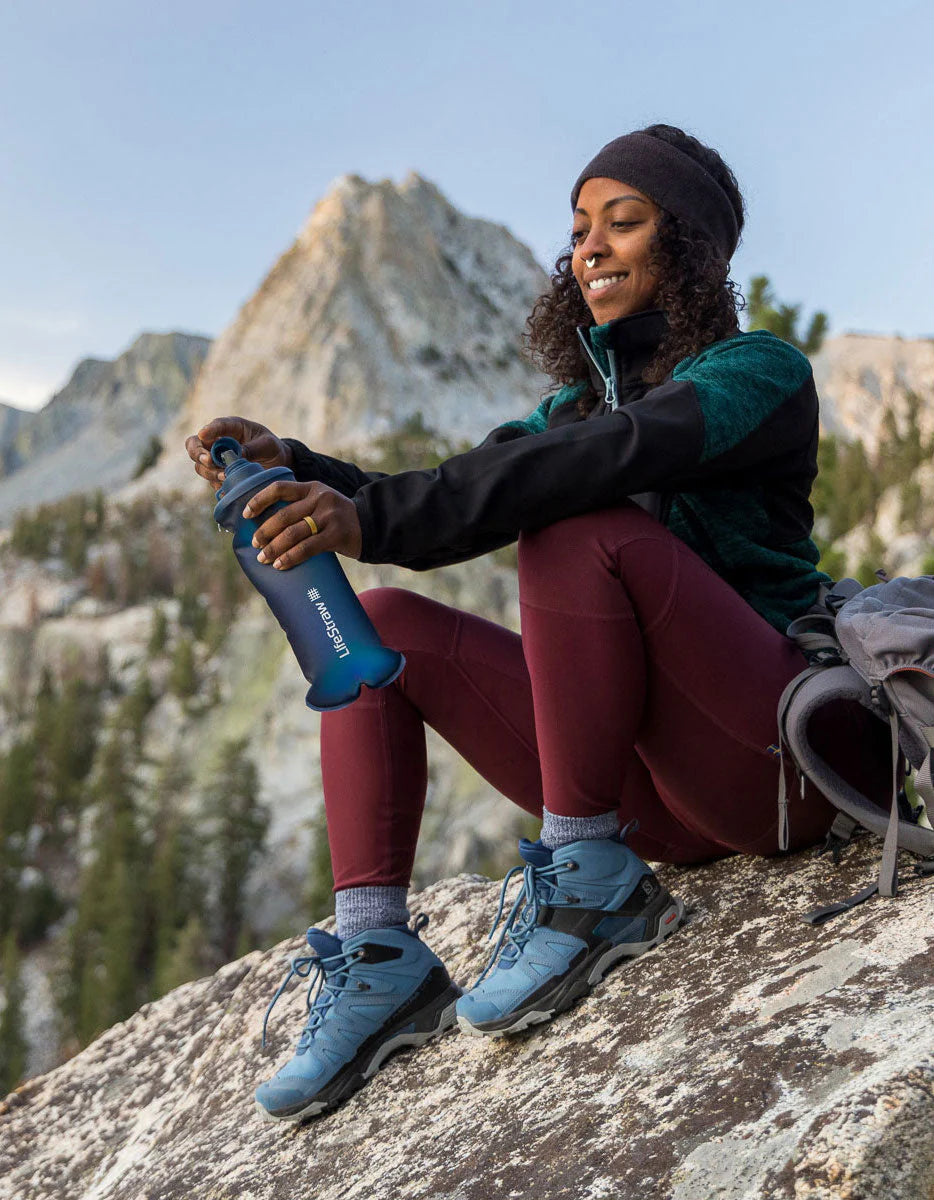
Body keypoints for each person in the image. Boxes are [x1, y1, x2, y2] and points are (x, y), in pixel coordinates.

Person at [186, 124, 888, 1126]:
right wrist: (299, 468)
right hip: (662, 812)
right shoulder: (570, 411)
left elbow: (613, 455)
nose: (588, 248)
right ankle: (378, 953)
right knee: (384, 625)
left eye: (623, 221)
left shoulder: (756, 373)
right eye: (577, 230)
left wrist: (368, 516)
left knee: (574, 523)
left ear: (686, 242)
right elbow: (447, 496)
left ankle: (580, 883)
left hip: (775, 771)